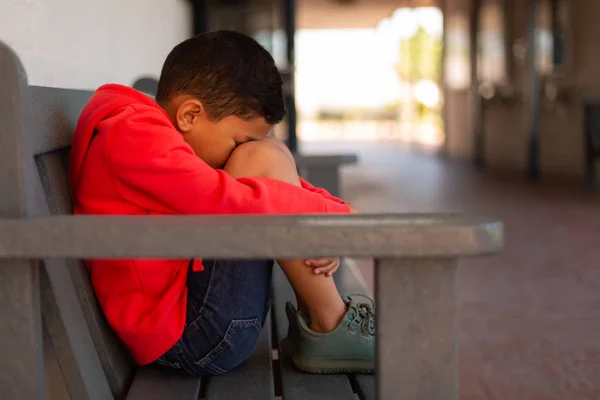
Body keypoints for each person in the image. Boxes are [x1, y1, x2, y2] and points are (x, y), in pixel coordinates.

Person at [69, 30, 375, 376]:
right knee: (260, 158)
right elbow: (226, 199)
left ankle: (323, 322)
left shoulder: (154, 131)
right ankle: (330, 322)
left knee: (267, 153)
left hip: (194, 307)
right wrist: (328, 217)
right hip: (189, 335)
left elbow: (269, 185)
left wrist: (325, 211)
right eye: (235, 141)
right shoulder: (133, 137)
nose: (235, 152)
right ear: (190, 115)